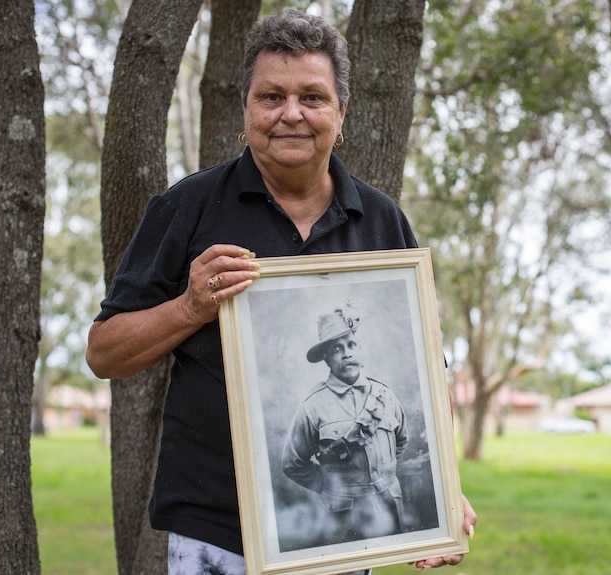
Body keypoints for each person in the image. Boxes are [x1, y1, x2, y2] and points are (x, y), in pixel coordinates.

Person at [85, 9, 475, 575]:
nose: (291, 114)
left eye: (312, 98)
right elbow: (104, 353)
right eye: (271, 97)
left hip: (345, 546)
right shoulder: (185, 209)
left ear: (341, 114)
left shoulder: (382, 221)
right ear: (246, 109)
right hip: (214, 540)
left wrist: (444, 490)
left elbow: (427, 372)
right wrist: (190, 306)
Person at [281, 304, 408, 547]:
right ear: (326, 359)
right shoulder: (312, 405)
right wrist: (332, 486)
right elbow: (292, 464)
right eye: (336, 349)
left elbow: (401, 440)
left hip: (389, 503)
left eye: (351, 345)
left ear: (360, 349)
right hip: (343, 515)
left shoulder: (385, 394)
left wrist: (383, 475)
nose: (346, 353)